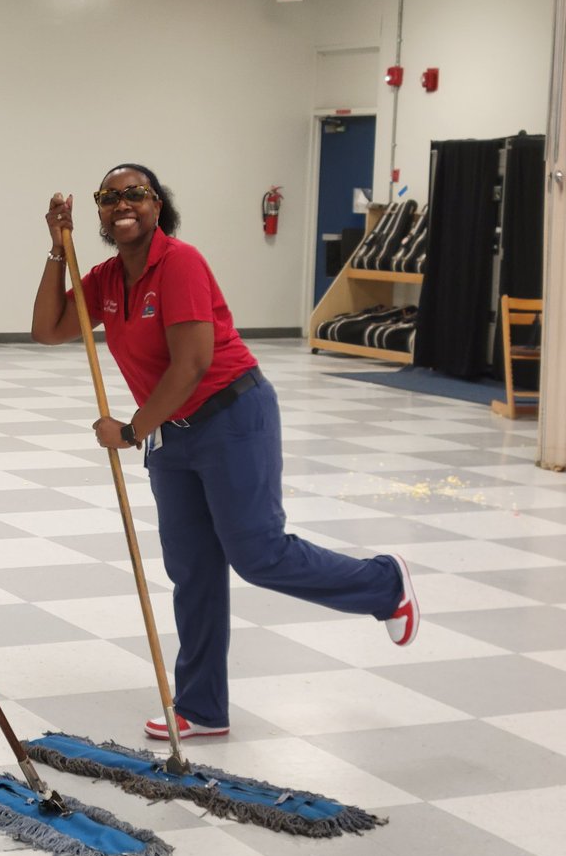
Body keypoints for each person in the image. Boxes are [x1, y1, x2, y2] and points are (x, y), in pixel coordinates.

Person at [31, 163, 418, 743]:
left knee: (258, 554)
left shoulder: (181, 263)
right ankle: (203, 706)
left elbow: (192, 365)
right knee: (194, 573)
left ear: (157, 204)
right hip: (171, 436)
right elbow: (48, 329)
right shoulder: (108, 278)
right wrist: (58, 250)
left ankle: (385, 584)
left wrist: (132, 430)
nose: (121, 204)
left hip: (231, 418)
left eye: (134, 193)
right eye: (108, 198)